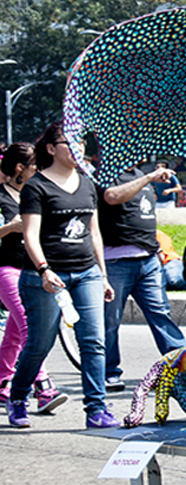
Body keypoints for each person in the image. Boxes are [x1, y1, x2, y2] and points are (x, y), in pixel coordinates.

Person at [7, 121, 118, 429]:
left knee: (93, 342)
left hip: (87, 274)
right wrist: (44, 270)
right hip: (45, 277)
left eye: (81, 144)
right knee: (39, 344)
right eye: (71, 144)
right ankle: (18, 397)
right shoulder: (36, 186)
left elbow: (94, 233)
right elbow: (30, 235)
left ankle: (96, 409)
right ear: (52, 149)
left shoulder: (86, 183)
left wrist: (104, 275)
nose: (79, 149)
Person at [99, 164, 186, 392]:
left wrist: (156, 248)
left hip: (148, 259)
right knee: (110, 320)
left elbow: (145, 214)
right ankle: (109, 372)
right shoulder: (105, 173)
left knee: (160, 313)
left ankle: (182, 364)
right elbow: (112, 197)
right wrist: (149, 177)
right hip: (116, 259)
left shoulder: (140, 175)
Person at [0, 143, 68, 413]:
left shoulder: (35, 194)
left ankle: (4, 381)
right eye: (35, 166)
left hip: (33, 271)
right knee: (31, 327)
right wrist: (9, 228)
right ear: (20, 168)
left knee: (15, 332)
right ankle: (42, 387)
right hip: (6, 269)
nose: (41, 171)